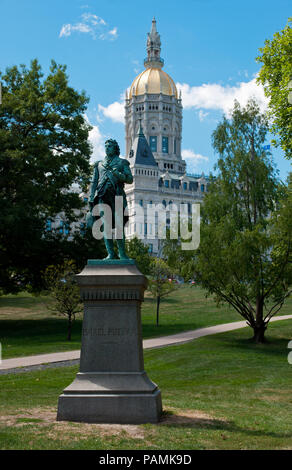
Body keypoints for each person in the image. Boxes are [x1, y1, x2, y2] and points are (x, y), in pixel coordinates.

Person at [88, 139, 133, 260]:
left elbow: (129, 179)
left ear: (115, 149)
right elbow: (93, 182)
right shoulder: (99, 164)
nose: (107, 148)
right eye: (106, 146)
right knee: (106, 226)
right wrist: (91, 197)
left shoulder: (122, 163)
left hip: (117, 196)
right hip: (102, 196)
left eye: (110, 146)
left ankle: (122, 254)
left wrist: (118, 175)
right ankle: (110, 253)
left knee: (118, 226)